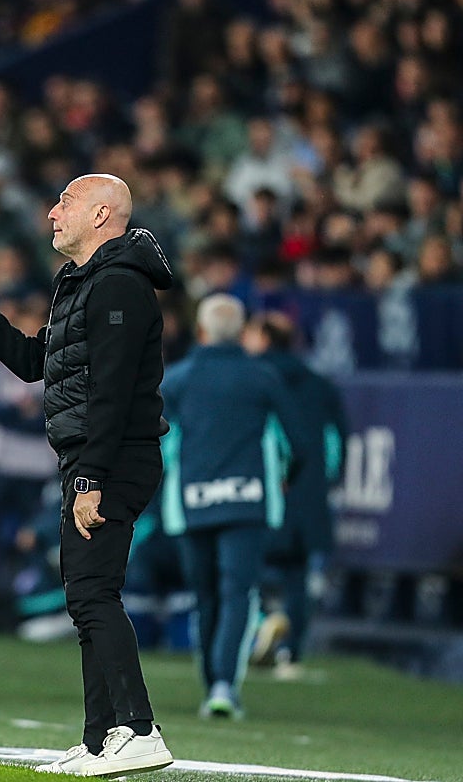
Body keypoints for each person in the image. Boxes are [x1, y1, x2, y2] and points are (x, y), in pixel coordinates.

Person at [0, 174, 175, 777]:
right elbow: (32, 364)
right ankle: (101, 739)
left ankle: (139, 729)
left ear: (101, 216)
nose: (51, 212)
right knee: (84, 597)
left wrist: (90, 477)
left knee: (94, 594)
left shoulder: (120, 284)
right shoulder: (84, 282)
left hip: (113, 457)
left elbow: (114, 393)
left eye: (65, 202)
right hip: (92, 457)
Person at [159, 295, 312, 719]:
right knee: (236, 592)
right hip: (248, 501)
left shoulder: (179, 379)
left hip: (191, 502)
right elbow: (299, 440)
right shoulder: (262, 377)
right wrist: (286, 476)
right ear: (243, 332)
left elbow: (155, 435)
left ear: (202, 332)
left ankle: (212, 681)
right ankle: (224, 684)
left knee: (205, 595)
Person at [242, 310, 347, 678]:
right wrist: (320, 483)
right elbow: (335, 443)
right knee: (297, 575)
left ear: (265, 339)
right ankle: (291, 653)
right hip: (307, 494)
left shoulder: (252, 379)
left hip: (260, 489)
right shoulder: (320, 384)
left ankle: (260, 626)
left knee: (241, 569)